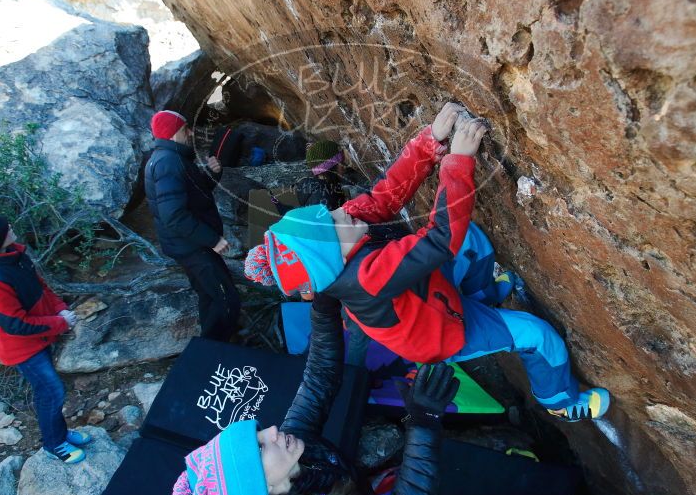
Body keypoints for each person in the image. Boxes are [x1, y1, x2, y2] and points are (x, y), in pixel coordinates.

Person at [245, 103, 610, 422]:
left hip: (429, 295)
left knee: (472, 240)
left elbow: (385, 195)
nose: (343, 210)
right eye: (335, 221)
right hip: (444, 332)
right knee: (538, 336)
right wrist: (458, 161)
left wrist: (431, 139)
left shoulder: (347, 229)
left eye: (332, 212)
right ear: (334, 260)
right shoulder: (367, 279)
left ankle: (482, 298)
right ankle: (560, 400)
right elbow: (439, 239)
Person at [171, 293, 457, 495]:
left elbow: (319, 379)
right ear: (262, 487)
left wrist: (323, 308)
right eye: (260, 447)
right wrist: (423, 422)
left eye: (258, 432)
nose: (272, 431)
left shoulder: (296, 446)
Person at [0, 212, 91, 463]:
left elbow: (41, 288)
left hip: (40, 335)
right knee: (51, 391)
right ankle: (54, 443)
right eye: (3, 228)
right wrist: (60, 323)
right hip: (23, 348)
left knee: (51, 390)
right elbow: (17, 325)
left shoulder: (13, 254)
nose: (10, 226)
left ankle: (59, 433)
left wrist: (59, 307)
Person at [145, 110, 241, 342]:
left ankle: (211, 347)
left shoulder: (168, 158)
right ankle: (218, 352)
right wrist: (213, 240)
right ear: (173, 132)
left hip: (187, 244)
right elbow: (174, 215)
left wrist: (211, 174)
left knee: (209, 296)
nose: (190, 133)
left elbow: (192, 196)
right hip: (193, 246)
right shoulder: (168, 162)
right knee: (226, 298)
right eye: (185, 128)